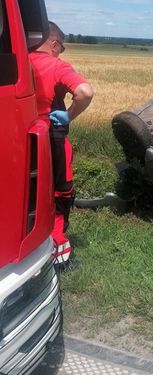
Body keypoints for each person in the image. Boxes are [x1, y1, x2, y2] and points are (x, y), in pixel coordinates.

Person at [29, 21, 93, 268]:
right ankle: (57, 244)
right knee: (61, 189)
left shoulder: (17, 63)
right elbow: (85, 92)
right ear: (53, 44)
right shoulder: (56, 65)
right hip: (52, 138)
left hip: (21, 137)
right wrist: (67, 115)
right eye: (61, 48)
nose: (60, 53)